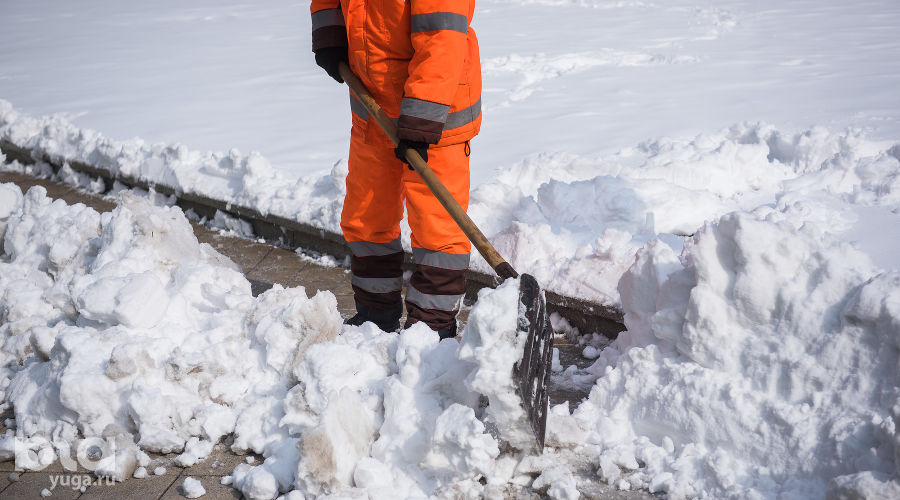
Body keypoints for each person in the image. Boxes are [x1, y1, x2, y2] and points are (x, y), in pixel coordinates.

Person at [310, 0, 483, 339]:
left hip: (435, 116)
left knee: (438, 231)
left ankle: (430, 331)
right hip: (372, 107)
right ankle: (375, 315)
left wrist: (421, 120)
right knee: (366, 216)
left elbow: (442, 36)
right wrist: (330, 33)